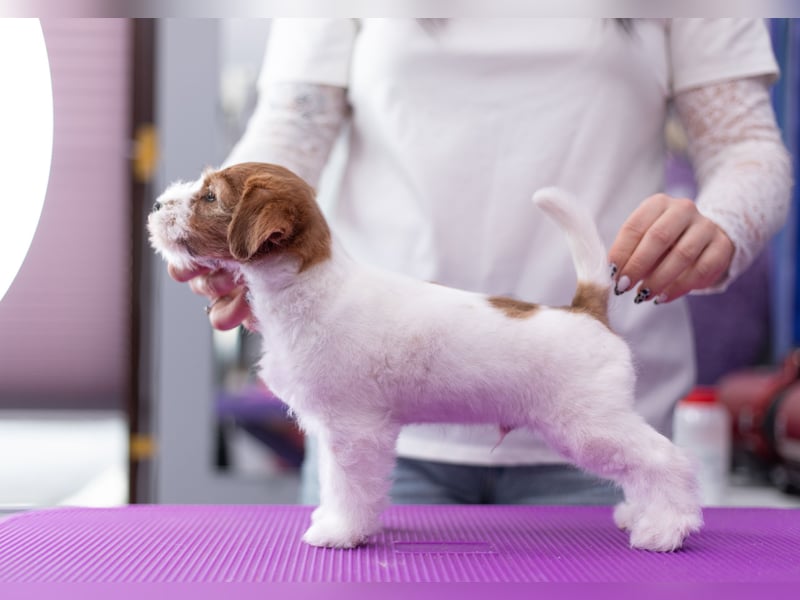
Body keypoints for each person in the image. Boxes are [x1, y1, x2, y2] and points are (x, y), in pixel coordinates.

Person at [168, 18, 792, 505]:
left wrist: (725, 226)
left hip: (590, 407)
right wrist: (234, 234)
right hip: (375, 410)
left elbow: (746, 145)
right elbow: (290, 129)